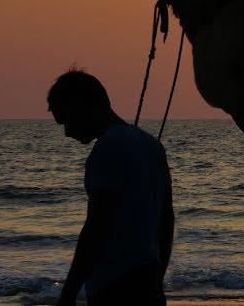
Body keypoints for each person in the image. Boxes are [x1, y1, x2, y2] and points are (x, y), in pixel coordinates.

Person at [47, 68, 174, 306]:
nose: (66, 132)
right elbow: (166, 218)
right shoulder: (151, 145)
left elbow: (95, 228)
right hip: (148, 283)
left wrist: (68, 294)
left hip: (115, 289)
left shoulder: (108, 149)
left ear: (82, 107)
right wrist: (158, 274)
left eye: (66, 120)